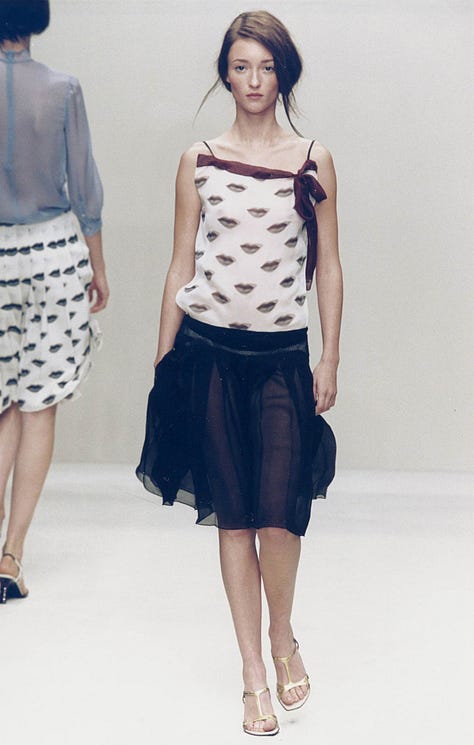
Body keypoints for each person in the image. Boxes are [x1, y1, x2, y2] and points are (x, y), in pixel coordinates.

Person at [137, 10, 342, 736]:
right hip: (210, 355)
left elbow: (329, 265)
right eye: (240, 66)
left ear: (284, 74)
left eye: (266, 66)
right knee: (234, 519)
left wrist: (330, 354)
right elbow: (180, 263)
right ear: (225, 75)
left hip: (282, 356)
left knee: (280, 518)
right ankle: (253, 673)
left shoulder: (313, 160)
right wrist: (164, 359)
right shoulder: (198, 160)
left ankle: (283, 634)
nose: (254, 80)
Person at [0, 0, 108, 603]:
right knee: (38, 404)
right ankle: (12, 554)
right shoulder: (63, 90)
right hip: (53, 256)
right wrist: (99, 265)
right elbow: (84, 187)